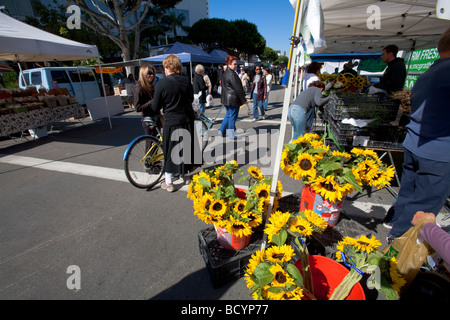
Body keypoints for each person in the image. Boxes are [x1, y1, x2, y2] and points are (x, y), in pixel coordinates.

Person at [383, 28, 450, 241]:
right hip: (438, 152)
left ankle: (393, 223)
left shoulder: (429, 72)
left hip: (415, 143)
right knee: (423, 205)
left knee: (407, 193)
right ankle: (398, 244)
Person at [150, 54, 196, 193]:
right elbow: (190, 99)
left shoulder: (162, 83)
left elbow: (155, 106)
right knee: (185, 148)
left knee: (170, 150)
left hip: (171, 120)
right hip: (186, 119)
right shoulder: (187, 81)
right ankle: (186, 174)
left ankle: (169, 182)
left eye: (164, 67)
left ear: (168, 67)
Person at [219, 55, 246, 139]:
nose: (236, 65)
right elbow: (238, 89)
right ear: (229, 64)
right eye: (234, 64)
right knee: (232, 117)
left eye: (236, 64)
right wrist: (243, 99)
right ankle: (231, 134)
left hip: (226, 98)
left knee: (228, 115)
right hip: (233, 99)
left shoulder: (226, 73)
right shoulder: (232, 74)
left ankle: (221, 131)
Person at [134, 64, 158, 136]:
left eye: (153, 73)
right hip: (148, 119)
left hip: (156, 117)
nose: (152, 75)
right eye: (149, 73)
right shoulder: (139, 88)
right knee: (150, 143)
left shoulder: (152, 86)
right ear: (143, 74)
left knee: (157, 141)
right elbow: (137, 108)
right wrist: (151, 102)